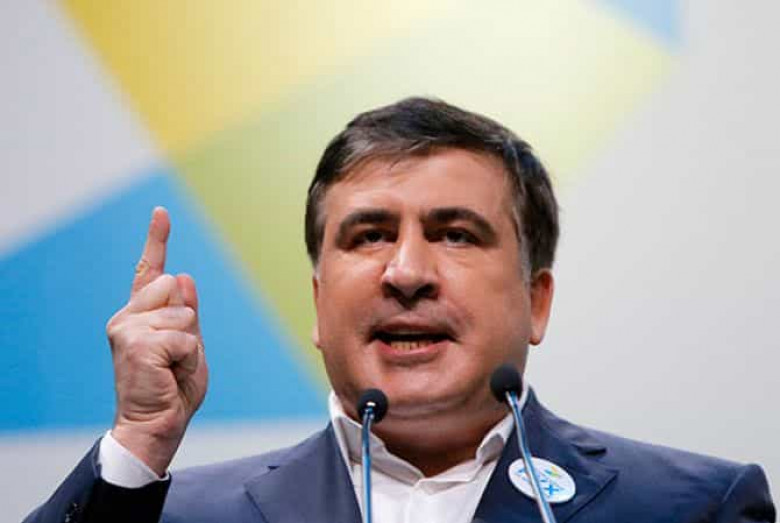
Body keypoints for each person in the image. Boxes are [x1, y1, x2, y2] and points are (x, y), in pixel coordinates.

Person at [25, 98, 775, 523]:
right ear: (318, 304)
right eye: (370, 235)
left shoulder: (691, 508)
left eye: (455, 234)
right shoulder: (173, 514)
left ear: (536, 300)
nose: (407, 272)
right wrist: (139, 444)